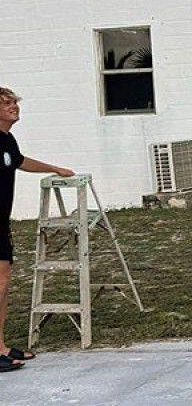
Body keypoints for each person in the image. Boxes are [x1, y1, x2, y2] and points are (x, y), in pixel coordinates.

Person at [0, 87, 74, 370]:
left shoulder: (7, 140)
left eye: (14, 102)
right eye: (6, 103)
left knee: (4, 284)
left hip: (2, 222)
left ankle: (2, 347)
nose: (13, 107)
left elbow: (19, 162)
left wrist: (55, 168)